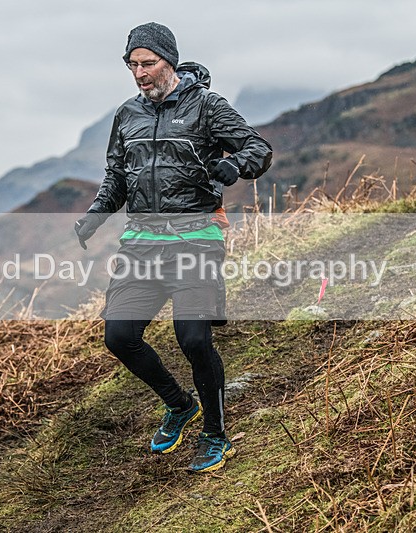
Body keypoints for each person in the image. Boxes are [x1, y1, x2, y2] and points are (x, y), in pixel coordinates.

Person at [74, 22, 272, 473]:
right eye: (132, 65)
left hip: (195, 239)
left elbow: (258, 149)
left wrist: (236, 165)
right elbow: (117, 176)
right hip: (142, 243)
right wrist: (96, 214)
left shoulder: (207, 106)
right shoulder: (128, 115)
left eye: (147, 63)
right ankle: (180, 405)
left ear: (169, 62)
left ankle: (216, 435)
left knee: (194, 339)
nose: (139, 73)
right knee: (119, 337)